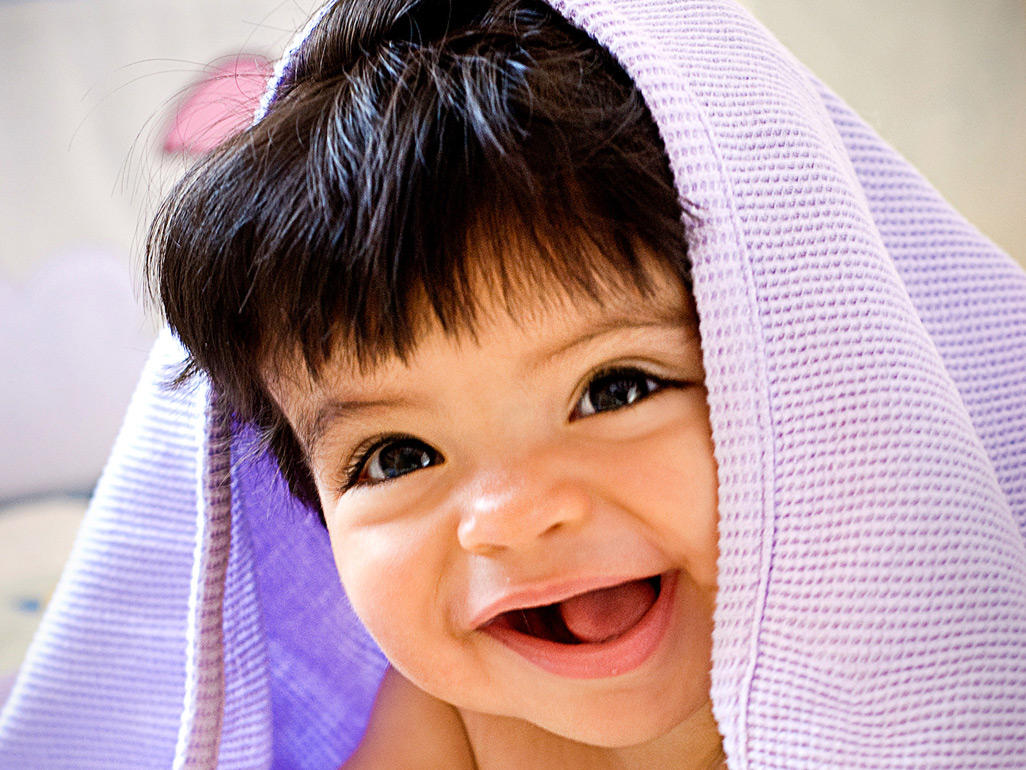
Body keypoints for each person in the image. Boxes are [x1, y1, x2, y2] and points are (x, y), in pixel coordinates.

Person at [2, 0, 1025, 768]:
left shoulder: (954, 675)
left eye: (616, 386)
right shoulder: (455, 719)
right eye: (396, 454)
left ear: (811, 374)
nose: (512, 514)